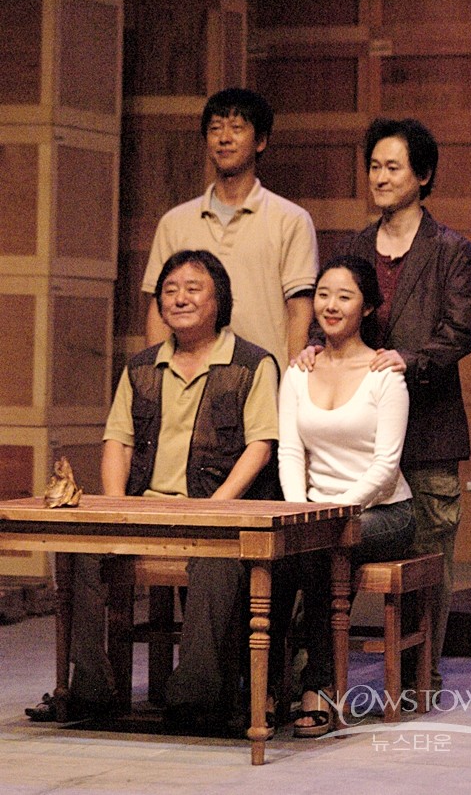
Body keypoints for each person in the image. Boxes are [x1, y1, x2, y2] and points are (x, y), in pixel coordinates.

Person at [26, 250, 285, 736]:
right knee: (79, 551)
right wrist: (116, 507)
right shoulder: (142, 366)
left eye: (193, 288)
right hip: (145, 510)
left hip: (214, 511)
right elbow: (117, 441)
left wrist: (216, 509)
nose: (179, 298)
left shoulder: (252, 364)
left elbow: (261, 446)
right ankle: (91, 686)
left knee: (216, 559)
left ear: (219, 300)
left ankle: (195, 695)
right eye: (170, 290)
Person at [296, 118, 471, 693]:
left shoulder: (452, 250)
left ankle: (423, 675)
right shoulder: (354, 247)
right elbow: (334, 309)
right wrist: (314, 347)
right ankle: (314, 675)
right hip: (357, 439)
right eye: (374, 166)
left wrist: (408, 360)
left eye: (393, 166)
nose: (380, 177)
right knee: (328, 554)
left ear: (422, 175)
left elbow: (460, 331)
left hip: (427, 432)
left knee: (429, 559)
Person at [278, 254, 416, 737]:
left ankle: (316, 687)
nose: (330, 305)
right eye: (323, 294)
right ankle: (263, 686)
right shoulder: (299, 370)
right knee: (278, 554)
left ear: (368, 307)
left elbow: (385, 468)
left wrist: (329, 516)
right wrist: (300, 513)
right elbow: (290, 452)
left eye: (344, 296)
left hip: (384, 511)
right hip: (315, 511)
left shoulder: (384, 373)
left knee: (321, 551)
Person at [141, 86, 319, 373]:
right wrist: (157, 380)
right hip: (187, 383)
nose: (224, 138)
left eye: (237, 128)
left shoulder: (291, 220)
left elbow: (300, 312)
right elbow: (159, 309)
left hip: (262, 381)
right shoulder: (175, 222)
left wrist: (293, 384)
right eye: (215, 129)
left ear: (260, 140)